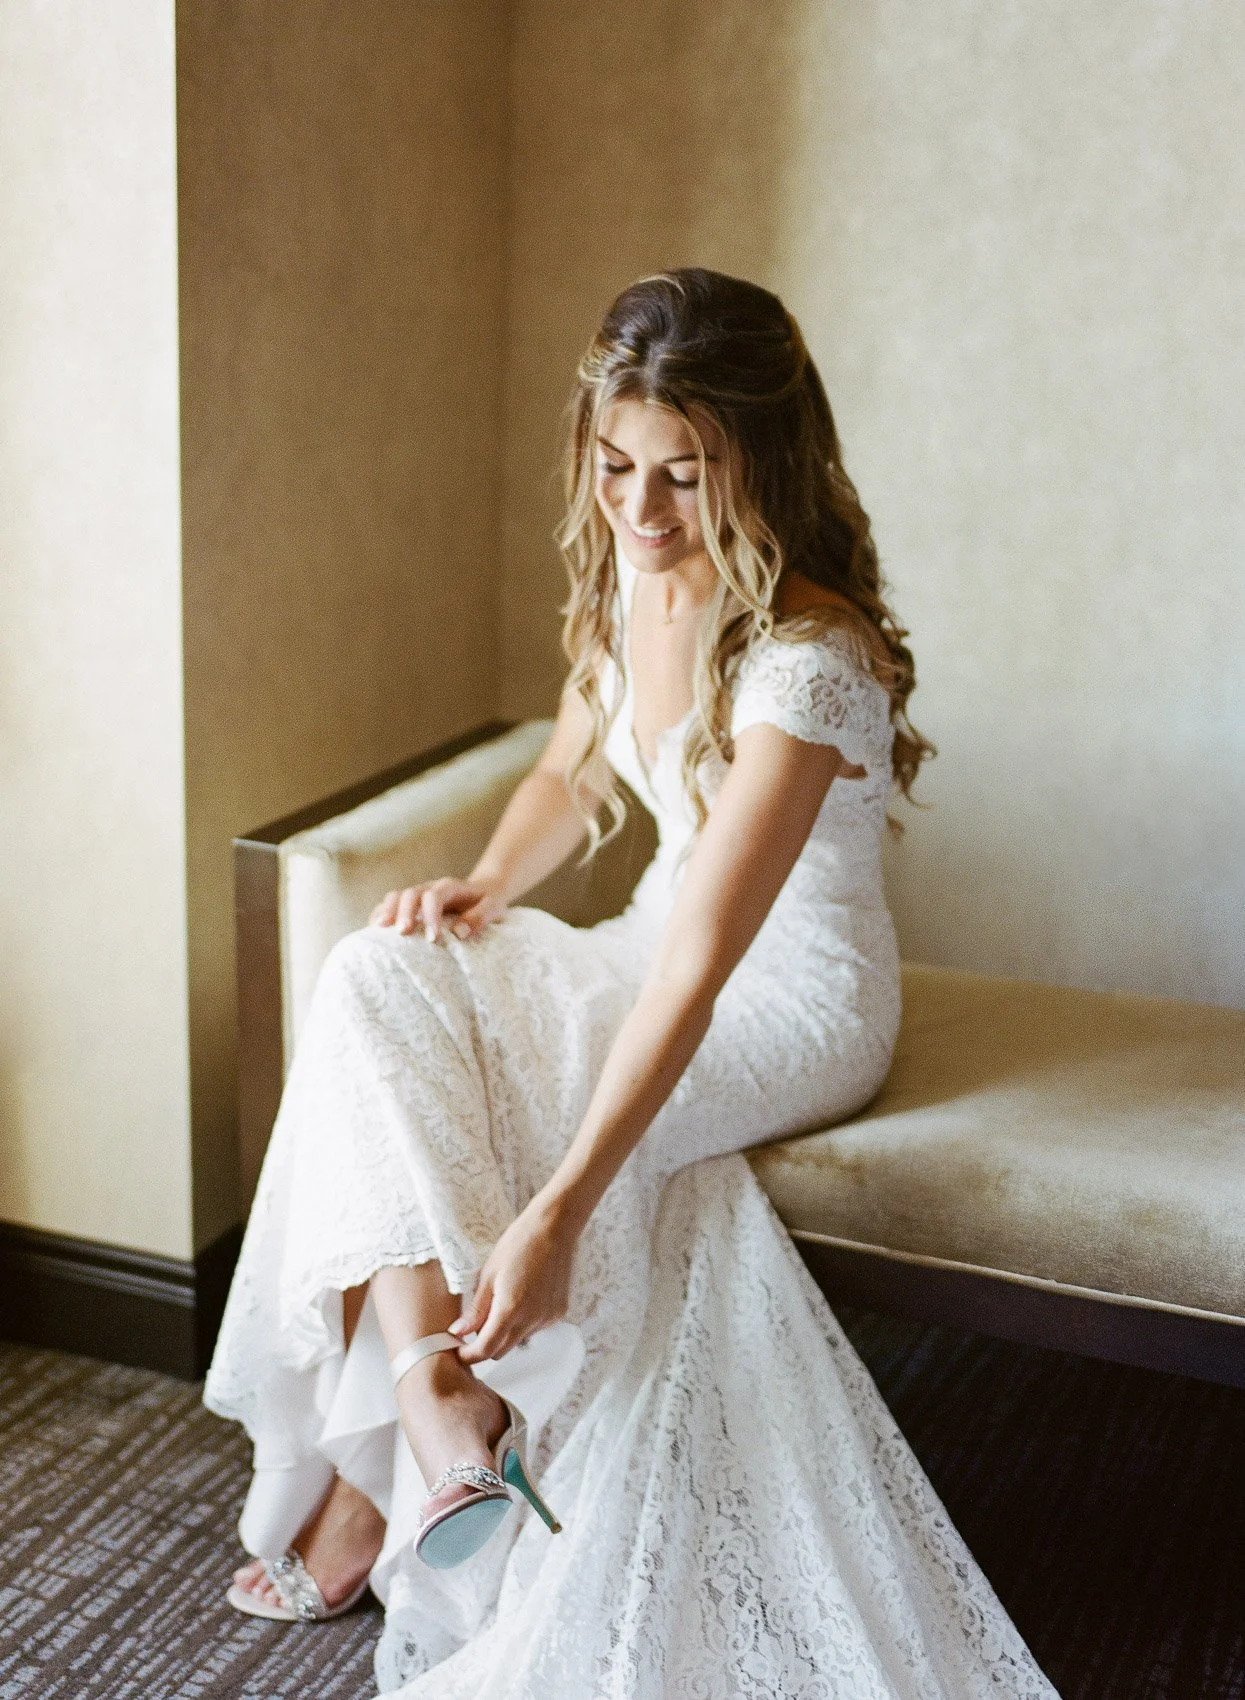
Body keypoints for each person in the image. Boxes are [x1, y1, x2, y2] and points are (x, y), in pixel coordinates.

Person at [205, 269, 1058, 1698]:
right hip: (648, 946)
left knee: (534, 1100)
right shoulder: (626, 579)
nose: (642, 513)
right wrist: (486, 884)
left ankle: (382, 1486)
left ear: (762, 464)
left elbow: (707, 970)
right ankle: (437, 1420)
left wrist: (555, 1216)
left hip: (786, 1001)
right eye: (616, 469)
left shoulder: (813, 657)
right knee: (377, 977)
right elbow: (568, 769)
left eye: (683, 477)